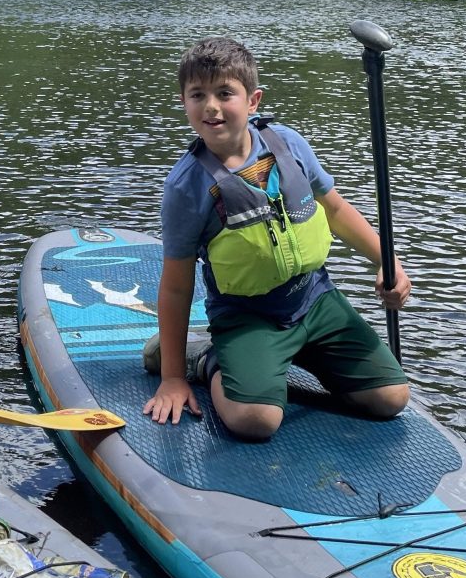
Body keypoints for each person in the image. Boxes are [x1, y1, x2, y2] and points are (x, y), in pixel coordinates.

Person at [142, 36, 411, 440]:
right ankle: (210, 360)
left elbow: (336, 210)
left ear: (253, 101)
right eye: (197, 95)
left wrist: (387, 264)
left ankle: (294, 357)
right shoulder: (186, 187)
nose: (211, 106)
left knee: (391, 399)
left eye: (225, 93)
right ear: (184, 103)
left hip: (317, 301)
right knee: (256, 421)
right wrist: (173, 378)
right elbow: (177, 287)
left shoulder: (288, 143)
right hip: (248, 316)